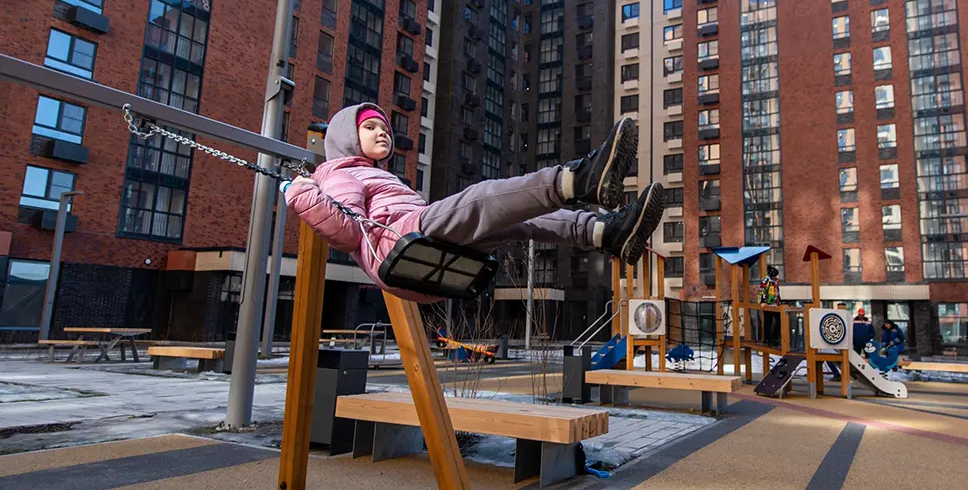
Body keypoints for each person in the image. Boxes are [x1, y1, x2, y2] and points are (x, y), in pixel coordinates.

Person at [284, 104, 665, 302]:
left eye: (384, 128)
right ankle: (577, 180)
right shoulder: (339, 173)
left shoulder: (376, 175)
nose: (382, 133)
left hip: (416, 249)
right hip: (397, 245)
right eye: (370, 127)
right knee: (482, 198)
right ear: (346, 137)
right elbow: (347, 232)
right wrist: (300, 192)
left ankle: (603, 233)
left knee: (512, 219)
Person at [758, 266, 781, 346]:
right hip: (768, 304)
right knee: (768, 322)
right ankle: (767, 340)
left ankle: (774, 339)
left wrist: (779, 302)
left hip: (775, 304)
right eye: (776, 275)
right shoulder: (765, 280)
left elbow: (777, 292)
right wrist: (762, 302)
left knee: (779, 320)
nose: (777, 277)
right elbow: (762, 291)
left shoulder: (775, 281)